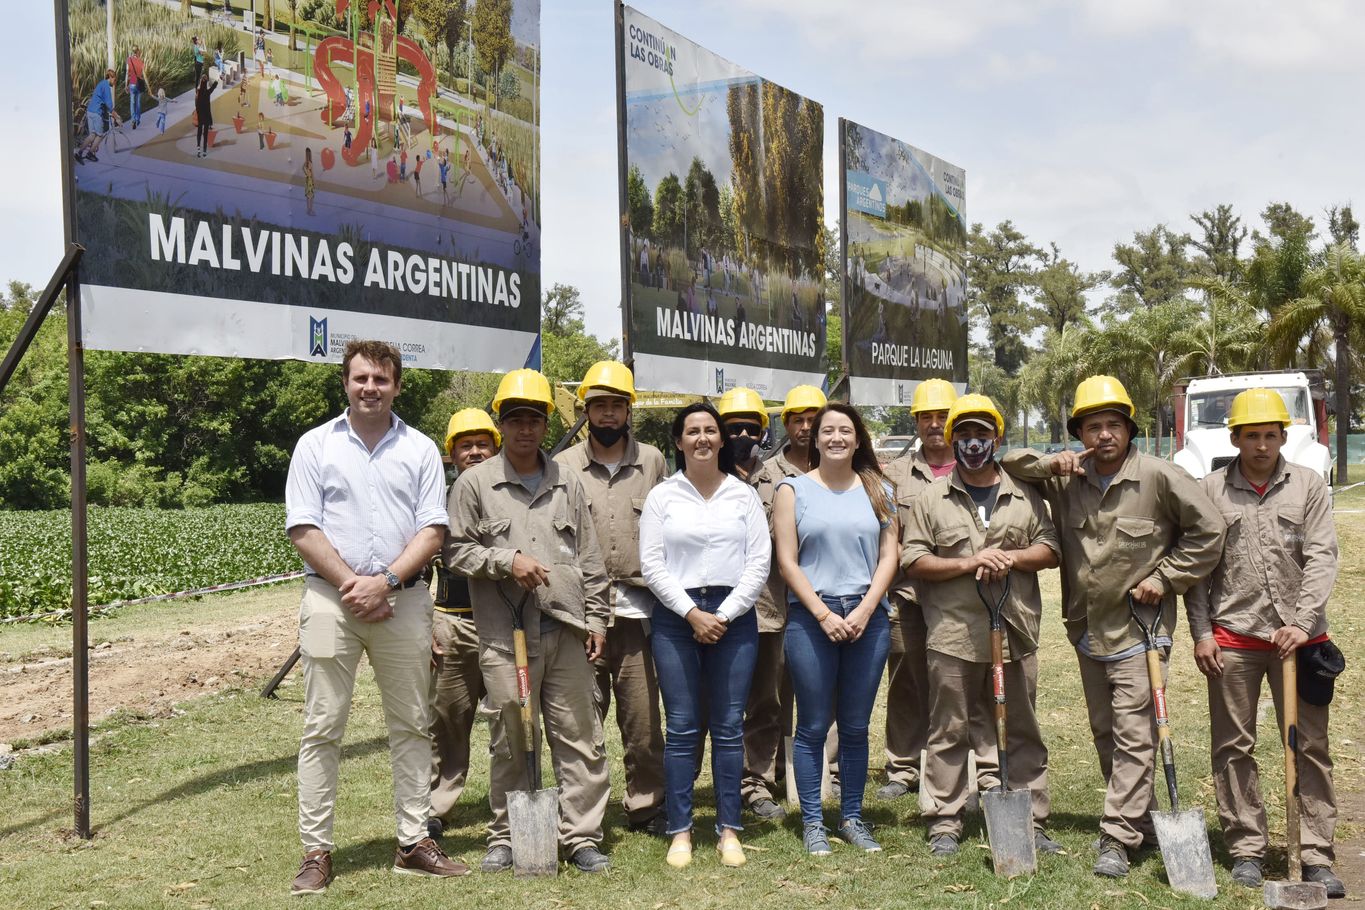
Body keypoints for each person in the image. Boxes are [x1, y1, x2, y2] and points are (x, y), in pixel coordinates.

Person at [1001, 374, 1225, 879]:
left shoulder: (1159, 477)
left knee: (1134, 733)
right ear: (1080, 433)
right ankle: (1142, 821)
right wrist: (1049, 461)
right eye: (1093, 426)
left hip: (1140, 632)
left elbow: (1209, 530)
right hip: (1086, 630)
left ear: (1129, 429)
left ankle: (1117, 836)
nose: (1103, 435)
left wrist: (1166, 578)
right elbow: (1008, 463)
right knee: (1107, 734)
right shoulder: (1066, 478)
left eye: (1112, 425)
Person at [284, 340, 469, 895]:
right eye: (360, 378)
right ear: (345, 382)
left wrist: (385, 581)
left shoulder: (418, 449)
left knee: (412, 724)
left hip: (404, 599)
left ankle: (413, 842)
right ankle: (316, 851)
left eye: (380, 380)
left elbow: (432, 531)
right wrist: (353, 585)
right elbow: (303, 527)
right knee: (322, 727)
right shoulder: (314, 445)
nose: (370, 388)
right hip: (329, 600)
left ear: (397, 385)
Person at [445, 369, 613, 875]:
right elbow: (455, 551)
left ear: (545, 426)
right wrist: (506, 560)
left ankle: (581, 835)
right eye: (515, 419)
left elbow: (590, 556)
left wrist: (599, 620)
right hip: (504, 633)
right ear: (502, 424)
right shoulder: (475, 483)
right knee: (511, 735)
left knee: (579, 734)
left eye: (534, 420)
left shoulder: (569, 481)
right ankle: (507, 835)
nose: (525, 429)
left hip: (565, 626)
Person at [1185, 389, 1345, 897]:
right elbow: (1196, 570)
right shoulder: (1209, 491)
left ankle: (1315, 852)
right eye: (1251, 435)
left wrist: (1301, 622)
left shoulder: (1310, 486)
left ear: (1284, 436)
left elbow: (1323, 556)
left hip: (1300, 640)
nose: (1261, 445)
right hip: (1234, 639)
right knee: (1233, 746)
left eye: (1270, 435)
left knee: (1309, 746)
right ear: (1234, 437)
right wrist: (1202, 632)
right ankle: (1247, 847)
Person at [903, 395, 1062, 857]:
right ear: (953, 441)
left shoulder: (1023, 493)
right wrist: (970, 561)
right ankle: (945, 820)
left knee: (1021, 726)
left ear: (998, 438)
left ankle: (1030, 816)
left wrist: (1008, 557)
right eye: (965, 435)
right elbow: (913, 558)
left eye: (982, 434)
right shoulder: (933, 498)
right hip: (953, 632)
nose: (974, 443)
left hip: (1014, 630)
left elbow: (1050, 548)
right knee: (948, 727)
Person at [640, 403, 769, 869]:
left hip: (735, 619)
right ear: (678, 441)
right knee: (682, 727)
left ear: (722, 439)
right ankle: (681, 830)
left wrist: (725, 614)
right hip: (677, 617)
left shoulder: (744, 496)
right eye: (692, 431)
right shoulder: (663, 497)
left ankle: (729, 829)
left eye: (710, 431)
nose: (702, 439)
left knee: (730, 726)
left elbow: (759, 564)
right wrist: (693, 613)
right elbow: (652, 564)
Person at [773, 403, 897, 856]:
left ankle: (851, 817)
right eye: (828, 431)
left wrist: (865, 610)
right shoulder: (792, 490)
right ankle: (812, 821)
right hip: (812, 617)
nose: (836, 438)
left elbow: (890, 556)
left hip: (868, 617)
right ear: (814, 438)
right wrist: (824, 615)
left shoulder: (880, 490)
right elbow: (787, 560)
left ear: (858, 439)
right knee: (812, 724)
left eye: (845, 430)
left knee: (856, 726)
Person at [556, 362, 669, 837]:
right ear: (585, 411)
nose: (607, 415)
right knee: (582, 724)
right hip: (579, 614)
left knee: (643, 724)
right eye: (598, 406)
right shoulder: (560, 467)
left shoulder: (654, 462)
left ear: (629, 410)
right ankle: (584, 815)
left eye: (615, 406)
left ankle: (646, 806)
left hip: (640, 612)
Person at [879, 379, 1000, 801]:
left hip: (967, 599)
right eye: (925, 417)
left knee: (975, 684)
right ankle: (903, 766)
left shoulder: (983, 467)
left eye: (941, 417)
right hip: (912, 597)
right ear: (915, 422)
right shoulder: (894, 473)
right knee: (908, 681)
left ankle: (984, 768)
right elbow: (887, 534)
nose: (934, 424)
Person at [740, 384, 826, 821]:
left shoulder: (839, 468)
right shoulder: (764, 475)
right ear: (785, 424)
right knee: (767, 696)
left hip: (826, 603)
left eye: (814, 419)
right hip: (772, 602)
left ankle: (805, 772)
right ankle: (756, 780)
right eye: (798, 419)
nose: (807, 427)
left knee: (816, 693)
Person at [427, 409, 500, 839]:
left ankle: (509, 803)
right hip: (453, 624)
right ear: (451, 453)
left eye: (482, 444)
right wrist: (424, 626)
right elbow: (419, 569)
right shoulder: (437, 502)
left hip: (509, 627)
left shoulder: (513, 492)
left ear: (496, 446)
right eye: (465, 445)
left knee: (512, 719)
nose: (474, 452)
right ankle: (437, 806)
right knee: (449, 720)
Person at [77, 68, 120, 163]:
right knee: (100, 135)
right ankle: (90, 154)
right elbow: (109, 104)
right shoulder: (106, 87)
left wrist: (110, 112)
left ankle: (79, 153)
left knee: (92, 135)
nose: (115, 82)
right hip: (96, 113)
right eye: (115, 79)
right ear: (111, 77)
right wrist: (117, 117)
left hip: (90, 111)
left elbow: (103, 101)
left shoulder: (101, 83)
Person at [194, 73, 218, 158]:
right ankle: (204, 151)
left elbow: (196, 104)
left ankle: (198, 149)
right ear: (206, 82)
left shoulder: (198, 92)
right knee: (205, 133)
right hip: (207, 116)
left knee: (199, 132)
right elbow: (214, 87)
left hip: (200, 115)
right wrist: (218, 79)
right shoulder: (207, 92)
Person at [125, 47, 145, 129]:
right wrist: (147, 84)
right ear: (138, 52)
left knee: (132, 102)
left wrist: (125, 85)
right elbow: (144, 74)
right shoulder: (141, 61)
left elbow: (127, 72)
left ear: (132, 52)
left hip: (132, 84)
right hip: (139, 85)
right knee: (138, 103)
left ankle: (133, 119)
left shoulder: (129, 59)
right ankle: (137, 119)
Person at [304, 148, 315, 215]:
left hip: (307, 180)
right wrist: (313, 181)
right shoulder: (309, 162)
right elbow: (312, 172)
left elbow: (303, 168)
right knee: (311, 196)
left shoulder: (306, 162)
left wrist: (306, 173)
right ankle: (310, 210)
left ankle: (309, 210)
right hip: (310, 180)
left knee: (308, 196)